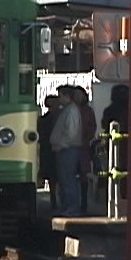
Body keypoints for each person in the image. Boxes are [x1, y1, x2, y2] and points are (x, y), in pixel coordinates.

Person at [50, 85, 83, 216]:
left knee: (68, 179)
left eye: (60, 96)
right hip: (64, 148)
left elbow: (71, 132)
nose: (59, 99)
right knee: (65, 179)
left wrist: (62, 144)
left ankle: (72, 207)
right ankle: (66, 206)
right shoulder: (68, 110)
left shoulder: (71, 111)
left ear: (66, 96)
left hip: (67, 149)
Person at [74, 86, 97, 214]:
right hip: (71, 144)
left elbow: (92, 126)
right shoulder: (70, 109)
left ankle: (84, 202)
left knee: (83, 174)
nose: (77, 97)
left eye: (79, 94)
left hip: (83, 146)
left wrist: (87, 137)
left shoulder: (88, 110)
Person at [38, 95, 60, 210]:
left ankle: (54, 198)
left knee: (52, 175)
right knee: (57, 175)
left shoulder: (42, 120)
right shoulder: (58, 118)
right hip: (54, 148)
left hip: (46, 148)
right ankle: (55, 198)